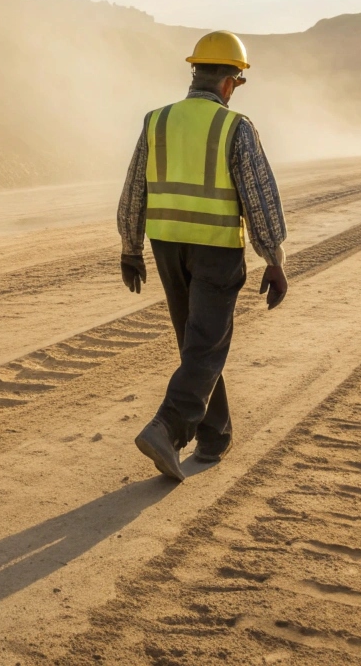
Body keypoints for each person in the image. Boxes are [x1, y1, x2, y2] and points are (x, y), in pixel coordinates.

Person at [116, 30, 289, 482]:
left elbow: (135, 188)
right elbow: (259, 197)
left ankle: (215, 436)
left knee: (197, 345)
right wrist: (273, 258)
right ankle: (169, 429)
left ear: (195, 72)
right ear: (231, 80)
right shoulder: (236, 127)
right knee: (206, 345)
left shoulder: (157, 120)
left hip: (167, 246)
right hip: (215, 248)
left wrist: (130, 247)